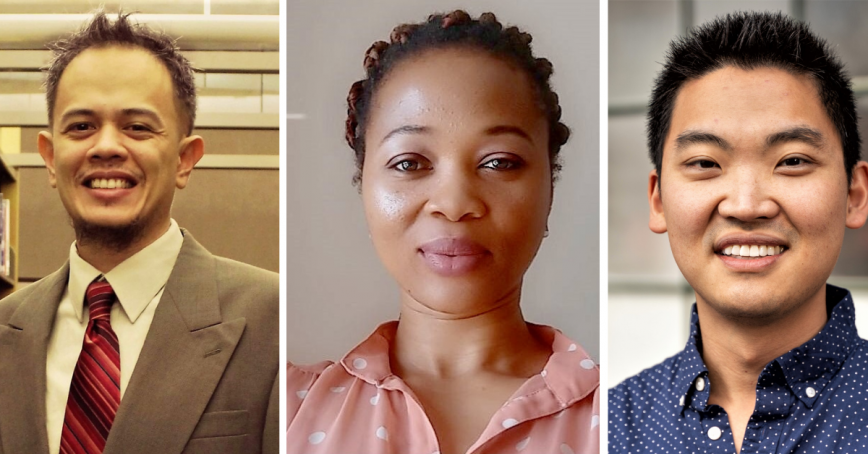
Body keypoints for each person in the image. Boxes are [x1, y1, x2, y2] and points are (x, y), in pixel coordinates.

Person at [287, 10, 599, 454]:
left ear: (549, 188)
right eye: (410, 163)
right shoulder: (285, 410)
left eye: (499, 162)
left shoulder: (623, 420)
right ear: (365, 188)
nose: (454, 204)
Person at [0, 12, 278, 454]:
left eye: (137, 127)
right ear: (50, 158)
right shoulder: (5, 329)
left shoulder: (273, 321)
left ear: (185, 159)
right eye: (81, 127)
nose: (107, 146)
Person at [609, 11, 868, 454]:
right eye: (706, 163)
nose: (747, 206)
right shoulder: (615, 426)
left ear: (854, 194)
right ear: (658, 200)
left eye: (792, 161)